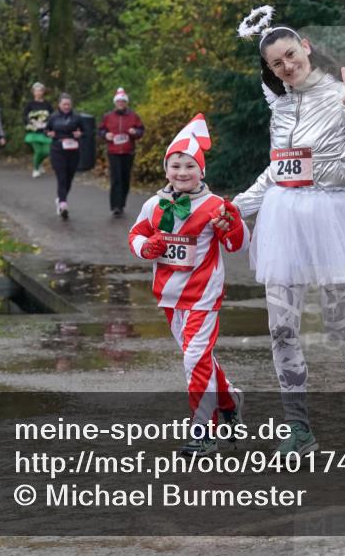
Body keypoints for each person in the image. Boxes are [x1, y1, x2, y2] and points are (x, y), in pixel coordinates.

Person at [226, 6, 345, 459]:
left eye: (290, 54)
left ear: (305, 47)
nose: (287, 66)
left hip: (334, 221)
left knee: (341, 327)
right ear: (270, 69)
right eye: (276, 63)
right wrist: (229, 209)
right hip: (284, 222)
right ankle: (298, 430)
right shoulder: (281, 107)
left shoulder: (343, 95)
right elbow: (277, 173)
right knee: (281, 330)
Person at [127, 114, 249, 456]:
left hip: (203, 297)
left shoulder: (215, 205)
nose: (182, 172)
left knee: (194, 358)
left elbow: (236, 245)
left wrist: (231, 225)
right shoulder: (154, 204)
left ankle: (203, 431)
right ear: (166, 170)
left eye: (189, 166)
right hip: (168, 296)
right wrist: (144, 247)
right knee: (199, 359)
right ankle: (229, 401)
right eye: (175, 165)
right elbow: (135, 234)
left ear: (202, 171)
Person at [99, 87, 145, 217]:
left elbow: (141, 130)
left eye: (123, 101)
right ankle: (115, 206)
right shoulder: (108, 116)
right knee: (116, 179)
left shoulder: (133, 116)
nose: (121, 103)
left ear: (126, 103)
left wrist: (135, 132)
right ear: (115, 103)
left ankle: (122, 203)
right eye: (118, 101)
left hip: (128, 151)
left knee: (125, 179)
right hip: (113, 151)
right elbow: (100, 130)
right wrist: (105, 134)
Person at [44, 93, 84, 219]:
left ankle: (61, 198)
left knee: (69, 177)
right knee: (61, 176)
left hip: (73, 150)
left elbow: (85, 131)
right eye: (64, 104)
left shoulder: (77, 117)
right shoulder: (53, 117)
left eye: (68, 104)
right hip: (58, 150)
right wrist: (49, 133)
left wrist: (80, 134)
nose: (66, 106)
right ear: (59, 105)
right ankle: (63, 205)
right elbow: (46, 130)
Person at [23, 82, 53, 178]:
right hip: (34, 132)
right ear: (33, 92)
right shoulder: (30, 104)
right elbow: (24, 116)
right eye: (36, 90)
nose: (38, 92)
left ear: (43, 92)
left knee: (47, 151)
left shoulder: (47, 104)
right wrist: (31, 122)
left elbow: (53, 116)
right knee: (38, 151)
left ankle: (39, 163)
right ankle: (35, 169)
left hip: (45, 131)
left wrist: (47, 123)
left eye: (40, 90)